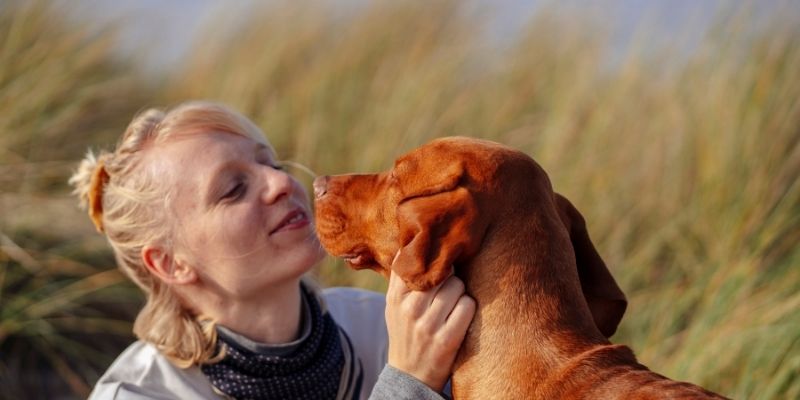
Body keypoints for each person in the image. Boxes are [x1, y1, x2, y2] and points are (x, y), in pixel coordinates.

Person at [71, 101, 476, 399]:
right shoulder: (139, 393)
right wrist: (408, 383)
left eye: (272, 164)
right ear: (170, 263)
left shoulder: (385, 327)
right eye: (234, 189)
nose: (281, 184)